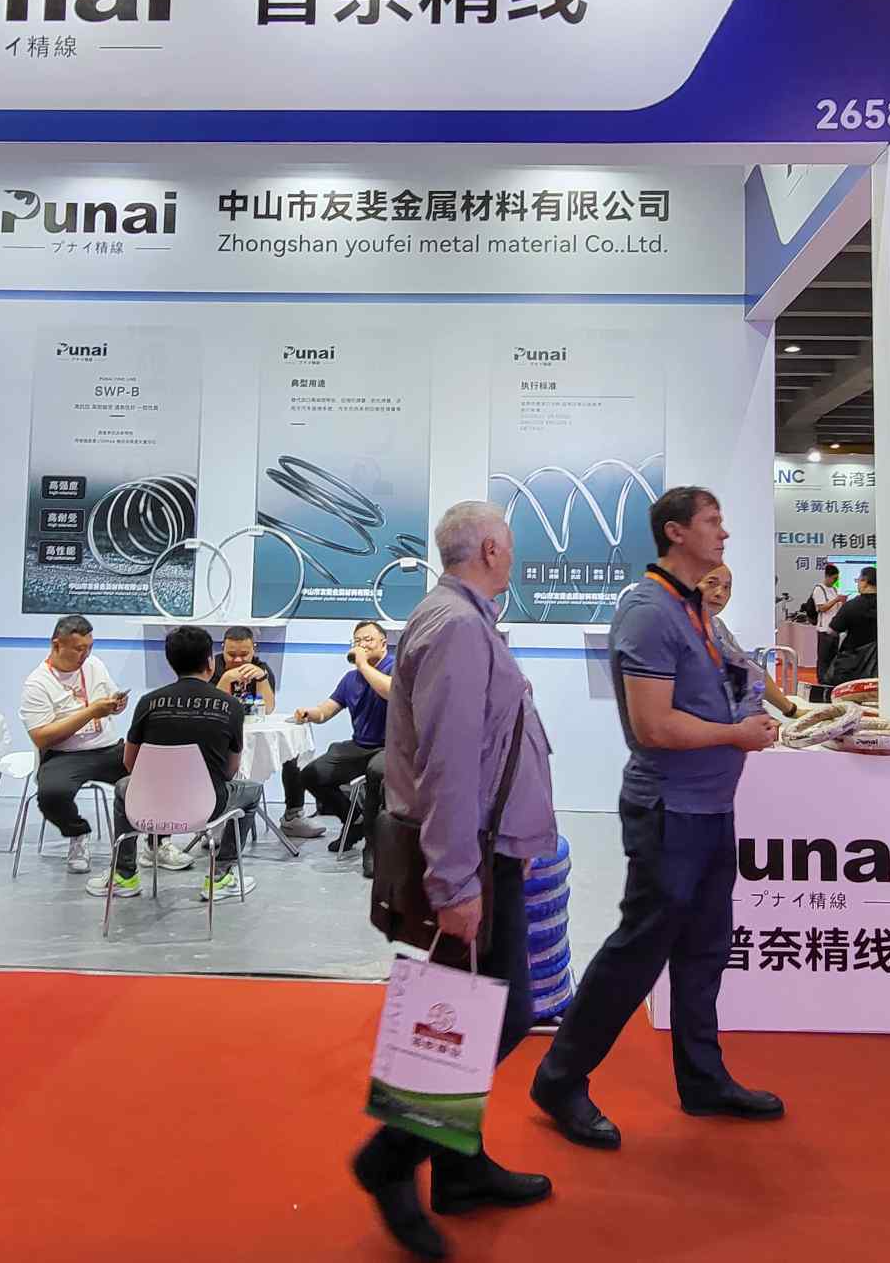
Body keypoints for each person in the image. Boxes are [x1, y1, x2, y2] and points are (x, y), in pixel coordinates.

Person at [530, 486, 784, 1152]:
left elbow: (729, 686)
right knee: (637, 953)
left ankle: (703, 1079)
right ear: (675, 532)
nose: (724, 534)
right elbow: (653, 726)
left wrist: (756, 715)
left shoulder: (695, 608)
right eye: (712, 522)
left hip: (711, 807)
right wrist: (735, 735)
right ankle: (559, 1078)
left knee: (705, 949)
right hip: (670, 810)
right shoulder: (648, 611)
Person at [352, 502, 557, 1259]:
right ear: (492, 549)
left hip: (484, 851)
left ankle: (460, 1170)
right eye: (512, 544)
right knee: (486, 1015)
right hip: (471, 858)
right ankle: (389, 1157)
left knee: (471, 1011)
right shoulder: (459, 628)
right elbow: (447, 762)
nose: (516, 555)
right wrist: (457, 882)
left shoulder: (461, 619)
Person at [92, 624, 263, 903]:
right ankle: (221, 876)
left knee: (124, 787)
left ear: (170, 661)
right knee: (252, 790)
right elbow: (230, 771)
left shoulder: (148, 703)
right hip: (207, 806)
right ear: (210, 661)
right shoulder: (230, 706)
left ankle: (124, 874)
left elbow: (130, 763)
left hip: (150, 804)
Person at [19, 615, 153, 875]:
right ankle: (78, 833)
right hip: (64, 755)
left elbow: (108, 700)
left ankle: (157, 843)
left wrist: (116, 705)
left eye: (89, 647)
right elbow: (41, 737)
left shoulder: (94, 665)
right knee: (52, 795)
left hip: (109, 748)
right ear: (57, 645)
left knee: (154, 774)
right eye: (79, 648)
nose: (85, 654)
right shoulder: (37, 683)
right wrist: (91, 712)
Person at [282, 619, 394, 853]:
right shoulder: (350, 679)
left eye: (368, 640)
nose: (362, 645)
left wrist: (363, 665)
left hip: (390, 748)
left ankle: (374, 845)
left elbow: (391, 691)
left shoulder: (396, 667)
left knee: (377, 774)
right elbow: (326, 710)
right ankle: (354, 820)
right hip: (359, 746)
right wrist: (310, 713)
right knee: (311, 775)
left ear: (383, 643)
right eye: (357, 641)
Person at [700, 563, 799, 718]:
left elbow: (749, 670)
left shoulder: (717, 626)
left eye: (727, 587)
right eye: (711, 583)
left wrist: (790, 710)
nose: (720, 593)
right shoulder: (673, 627)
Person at [823, 567, 879, 689]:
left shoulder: (851, 606)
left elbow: (832, 630)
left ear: (864, 581)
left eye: (858, 580)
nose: (857, 583)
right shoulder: (887, 605)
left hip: (851, 666)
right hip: (878, 667)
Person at [211, 624, 276, 713]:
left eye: (244, 654)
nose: (238, 660)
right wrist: (226, 679)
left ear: (253, 650)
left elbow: (267, 710)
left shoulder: (261, 670)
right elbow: (211, 709)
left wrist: (262, 679)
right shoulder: (210, 667)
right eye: (231, 654)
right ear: (223, 649)